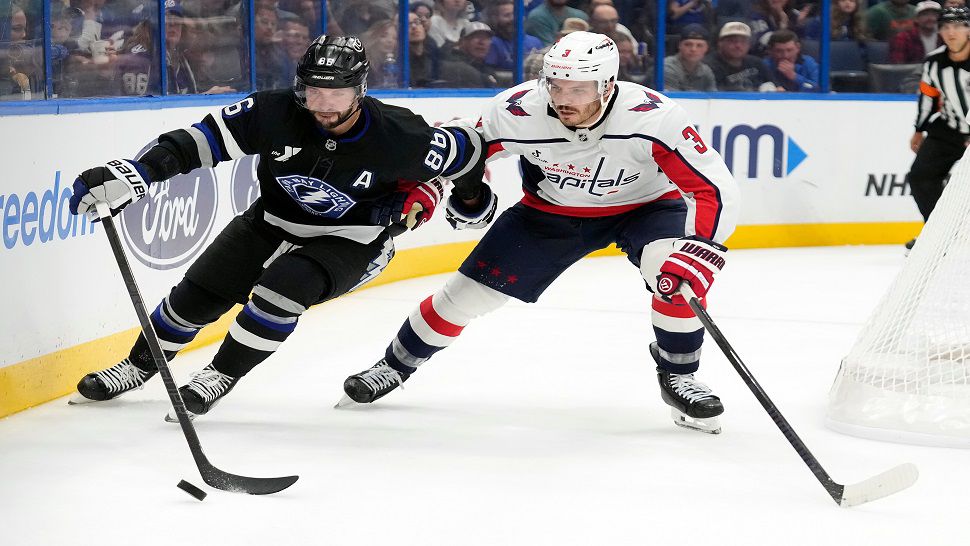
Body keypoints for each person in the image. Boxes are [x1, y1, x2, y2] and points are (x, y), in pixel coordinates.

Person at [341, 31, 741, 435]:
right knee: (464, 296)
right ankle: (392, 366)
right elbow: (460, 146)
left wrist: (701, 248)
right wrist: (429, 184)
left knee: (673, 275)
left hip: (647, 208)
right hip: (549, 213)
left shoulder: (653, 117)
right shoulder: (519, 109)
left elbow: (712, 187)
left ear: (607, 85)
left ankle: (679, 376)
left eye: (579, 88)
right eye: (556, 84)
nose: (564, 98)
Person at [67, 35, 486, 418]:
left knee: (282, 290)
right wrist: (140, 171)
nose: (323, 103)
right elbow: (201, 142)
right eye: (314, 90)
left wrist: (469, 199)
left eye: (336, 93)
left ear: (359, 90)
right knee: (196, 298)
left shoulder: (399, 133)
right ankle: (138, 366)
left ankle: (220, 374)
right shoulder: (273, 111)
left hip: (351, 240)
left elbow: (465, 152)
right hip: (268, 222)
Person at [904, 7, 970, 250]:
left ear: (968, 30)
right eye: (946, 27)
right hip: (950, 128)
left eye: (958, 26)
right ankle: (936, 234)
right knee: (921, 176)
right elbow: (928, 97)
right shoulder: (934, 62)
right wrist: (919, 129)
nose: (951, 32)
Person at [706, 21, 774, 91]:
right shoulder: (709, 67)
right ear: (720, 43)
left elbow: (774, 85)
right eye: (732, 41)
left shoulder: (757, 63)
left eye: (743, 41)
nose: (738, 45)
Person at [439, 21, 498, 87]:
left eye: (486, 38)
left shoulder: (487, 69)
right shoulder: (450, 63)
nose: (482, 42)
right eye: (476, 37)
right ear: (462, 42)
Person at [663, 23, 717, 91]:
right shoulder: (666, 67)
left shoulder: (706, 71)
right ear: (679, 46)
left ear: (706, 48)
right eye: (688, 44)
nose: (693, 49)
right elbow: (670, 100)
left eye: (699, 45)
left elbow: (714, 98)